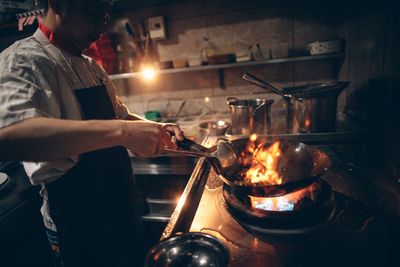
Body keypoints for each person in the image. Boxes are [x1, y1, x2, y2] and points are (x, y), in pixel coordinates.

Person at [0, 0, 184, 266]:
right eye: (94, 13)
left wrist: (155, 127)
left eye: (106, 16)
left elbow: (121, 117)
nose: (102, 26)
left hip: (121, 208)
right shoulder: (22, 60)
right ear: (59, 4)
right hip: (77, 224)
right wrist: (122, 132)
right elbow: (9, 137)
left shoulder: (91, 66)